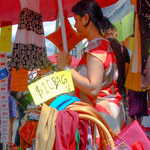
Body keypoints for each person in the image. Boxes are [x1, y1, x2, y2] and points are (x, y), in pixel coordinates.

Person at [56, 0, 123, 146]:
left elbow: (93, 88)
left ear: (86, 18)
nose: (75, 25)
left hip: (102, 115)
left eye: (77, 20)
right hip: (105, 114)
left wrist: (67, 68)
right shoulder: (101, 44)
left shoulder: (96, 48)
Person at [103, 24, 130, 122]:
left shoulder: (102, 47)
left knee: (108, 120)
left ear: (104, 34)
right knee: (122, 118)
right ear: (115, 33)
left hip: (105, 90)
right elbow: (126, 69)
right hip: (120, 87)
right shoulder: (123, 48)